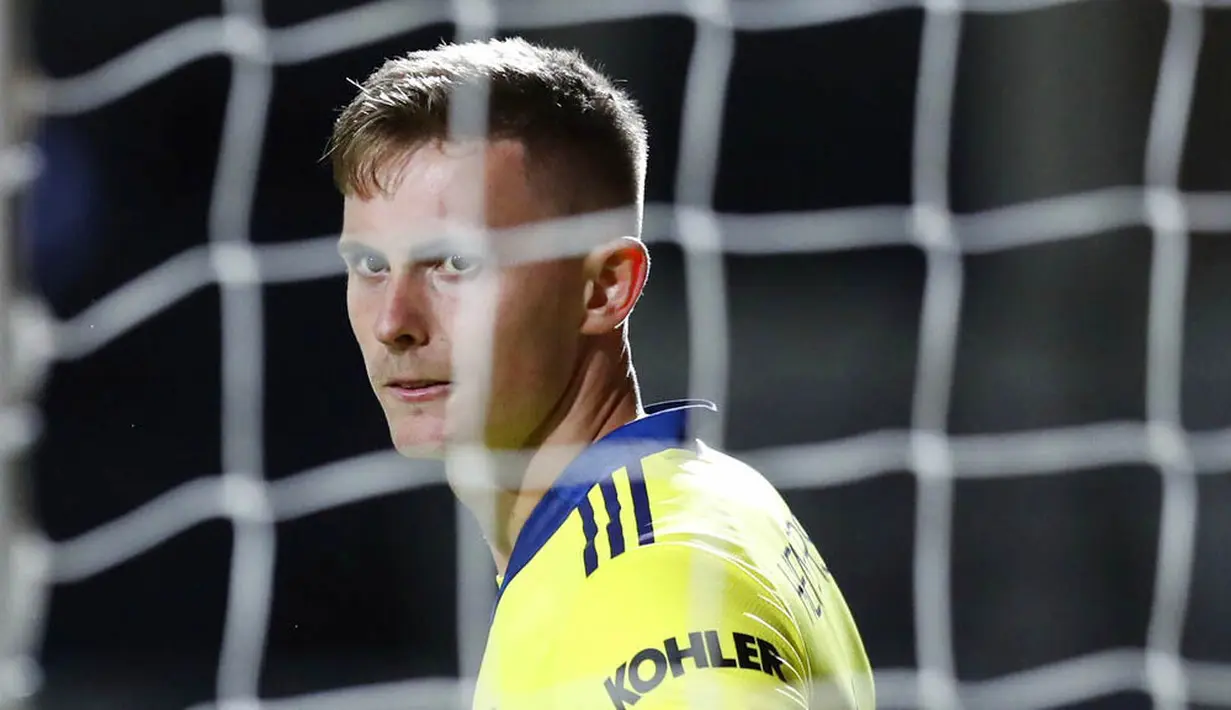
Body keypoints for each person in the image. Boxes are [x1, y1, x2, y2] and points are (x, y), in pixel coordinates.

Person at [327, 37, 875, 709]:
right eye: (370, 266)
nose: (393, 322)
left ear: (606, 288)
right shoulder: (692, 498)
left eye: (455, 265)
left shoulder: (649, 577)